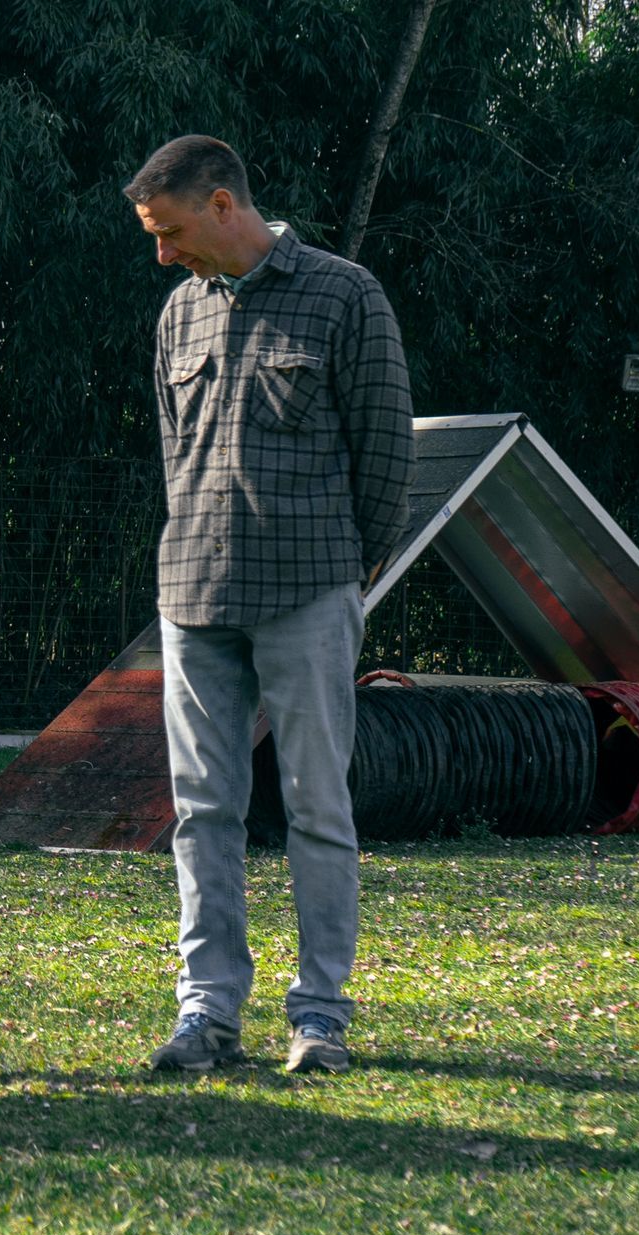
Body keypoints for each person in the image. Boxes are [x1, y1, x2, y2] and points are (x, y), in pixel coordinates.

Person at [125, 135, 414, 1074]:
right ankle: (207, 1013)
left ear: (220, 205)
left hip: (308, 593)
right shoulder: (177, 317)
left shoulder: (345, 296)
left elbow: (386, 461)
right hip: (194, 597)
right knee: (203, 811)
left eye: (168, 232)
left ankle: (319, 1015)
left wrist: (348, 579)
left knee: (316, 806)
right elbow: (175, 461)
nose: (161, 253)